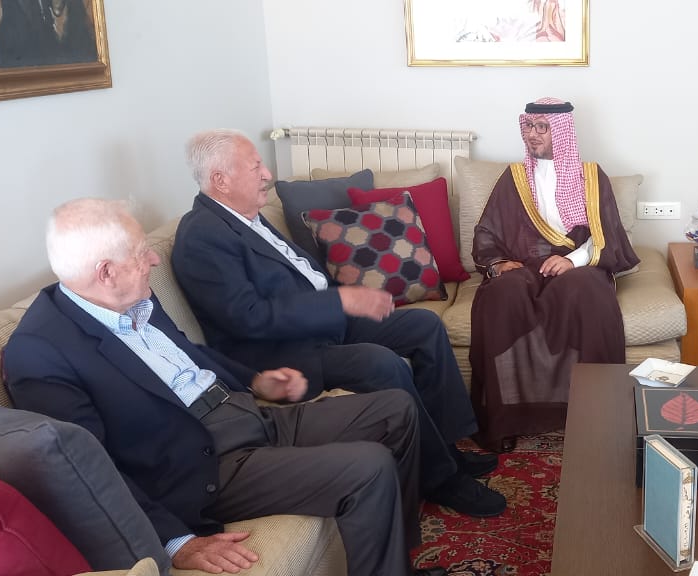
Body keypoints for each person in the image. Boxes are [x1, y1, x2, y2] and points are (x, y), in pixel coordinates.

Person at [3, 198, 442, 576]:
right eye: (141, 253)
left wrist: (258, 382)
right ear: (106, 272)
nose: (153, 260)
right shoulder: (40, 352)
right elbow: (86, 469)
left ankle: (397, 559)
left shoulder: (130, 296)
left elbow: (188, 353)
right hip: (204, 465)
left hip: (246, 413)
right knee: (368, 466)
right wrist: (175, 541)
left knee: (395, 409)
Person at [171, 130, 505, 518]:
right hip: (283, 352)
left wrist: (342, 301)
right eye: (255, 166)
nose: (267, 174)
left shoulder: (245, 216)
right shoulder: (202, 236)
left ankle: (446, 448)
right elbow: (249, 317)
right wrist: (340, 300)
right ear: (221, 180)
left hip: (322, 324)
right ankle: (440, 478)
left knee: (424, 326)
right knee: (382, 363)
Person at [470, 97, 639, 451]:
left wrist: (573, 260)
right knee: (502, 294)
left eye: (542, 127)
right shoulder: (514, 177)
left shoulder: (591, 176)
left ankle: (591, 413)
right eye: (528, 126)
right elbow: (487, 230)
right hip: (524, 264)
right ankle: (505, 419)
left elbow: (606, 234)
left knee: (583, 291)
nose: (532, 134)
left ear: (562, 132)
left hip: (577, 264)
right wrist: (498, 264)